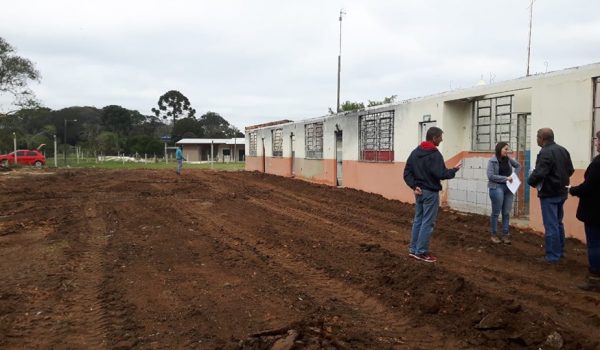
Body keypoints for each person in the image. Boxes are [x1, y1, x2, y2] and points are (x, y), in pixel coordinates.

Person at [403, 127, 462, 262]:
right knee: (427, 222)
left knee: (418, 220)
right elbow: (441, 174)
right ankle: (421, 252)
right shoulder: (435, 154)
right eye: (440, 137)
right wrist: (455, 169)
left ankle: (413, 249)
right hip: (430, 193)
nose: (442, 139)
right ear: (434, 138)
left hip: (419, 192)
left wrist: (414, 186)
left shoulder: (415, 152)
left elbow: (406, 173)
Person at [527, 128, 574, 263]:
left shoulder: (545, 152)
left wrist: (530, 181)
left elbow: (540, 173)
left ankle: (552, 256)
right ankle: (560, 251)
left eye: (537, 137)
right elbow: (570, 170)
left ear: (542, 138)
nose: (536, 139)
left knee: (551, 225)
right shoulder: (563, 150)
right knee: (558, 223)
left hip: (549, 194)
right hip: (562, 193)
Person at [568, 131, 600, 292]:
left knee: (594, 244)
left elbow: (588, 187)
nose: (596, 143)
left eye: (598, 140)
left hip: (595, 211)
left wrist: (573, 190)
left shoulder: (597, 164)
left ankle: (594, 278)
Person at [487, 142, 521, 244]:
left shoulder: (508, 160)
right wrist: (506, 178)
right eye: (505, 149)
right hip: (496, 187)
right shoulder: (492, 161)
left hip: (508, 188)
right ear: (499, 149)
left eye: (508, 149)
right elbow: (491, 176)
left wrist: (513, 176)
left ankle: (505, 235)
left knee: (506, 213)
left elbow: (518, 165)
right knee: (496, 213)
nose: (507, 151)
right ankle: (494, 234)